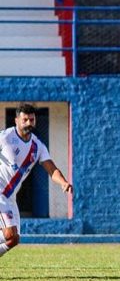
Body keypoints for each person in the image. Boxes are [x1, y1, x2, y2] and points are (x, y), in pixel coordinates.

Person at [0, 104, 72, 258]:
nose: (28, 123)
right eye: (24, 120)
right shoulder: (5, 137)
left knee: (13, 239)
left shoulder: (37, 146)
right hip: (0, 192)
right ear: (16, 120)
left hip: (10, 197)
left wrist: (63, 182)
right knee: (8, 233)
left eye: (31, 120)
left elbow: (51, 169)